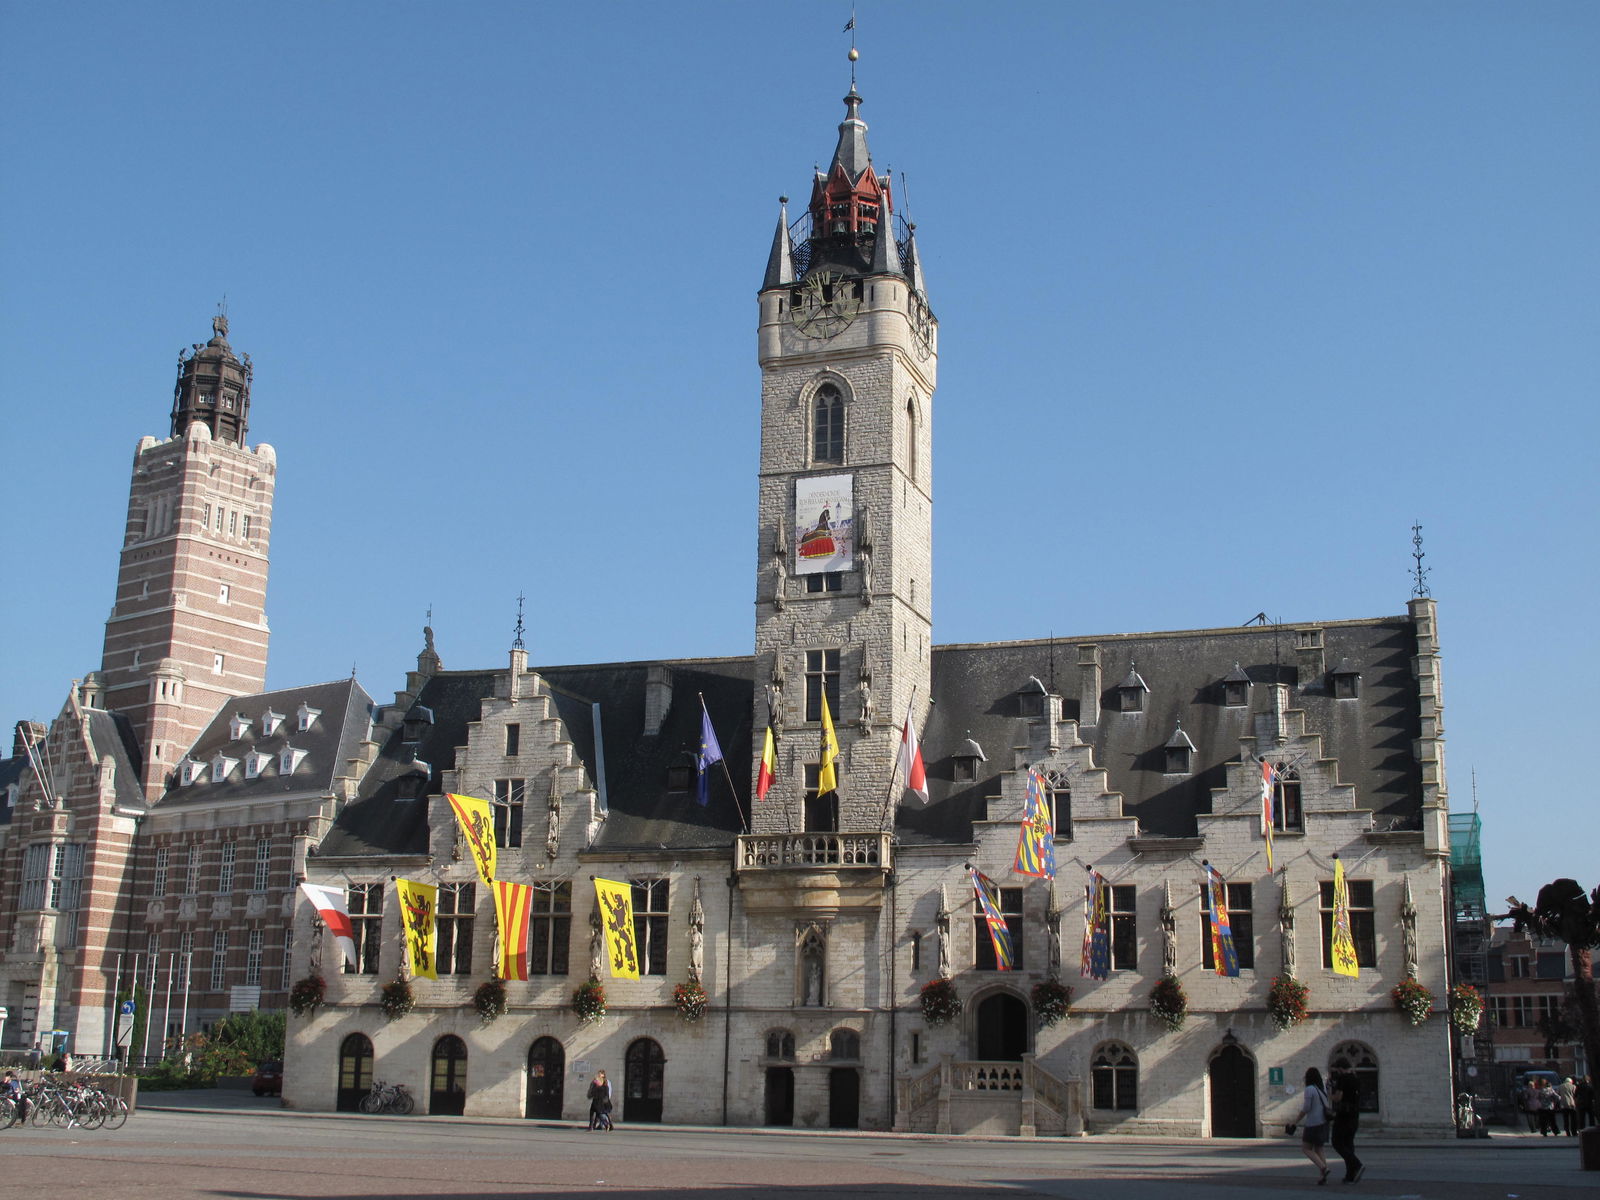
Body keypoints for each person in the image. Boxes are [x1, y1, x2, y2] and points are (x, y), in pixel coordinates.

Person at [1287, 1066, 1333, 1185]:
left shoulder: (1310, 1089)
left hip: (1313, 1123)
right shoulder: (1321, 1089)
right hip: (1323, 1122)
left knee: (1306, 1148)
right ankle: (1323, 1177)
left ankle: (1323, 1168)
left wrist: (1295, 1121)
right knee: (1319, 1148)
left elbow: (1306, 1108)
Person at [1329, 1069, 1365, 1184]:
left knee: (1337, 1142)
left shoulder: (1342, 1078)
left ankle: (1356, 1164)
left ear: (1340, 1068)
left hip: (1343, 1116)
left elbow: (1338, 1097)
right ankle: (1350, 1175)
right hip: (1354, 1116)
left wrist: (1330, 1093)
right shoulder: (1357, 1078)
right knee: (1349, 1144)